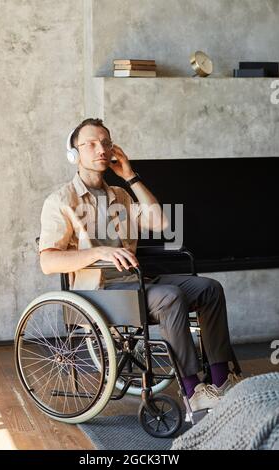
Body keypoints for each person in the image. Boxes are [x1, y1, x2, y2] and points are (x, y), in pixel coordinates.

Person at [39, 118, 240, 412]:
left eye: (106, 143)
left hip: (137, 281)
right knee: (170, 296)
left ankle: (222, 383)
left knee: (209, 288)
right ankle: (193, 391)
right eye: (91, 144)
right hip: (99, 290)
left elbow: (161, 223)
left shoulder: (119, 195)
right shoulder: (60, 201)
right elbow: (48, 261)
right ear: (74, 153)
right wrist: (101, 252)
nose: (101, 150)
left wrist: (130, 176)